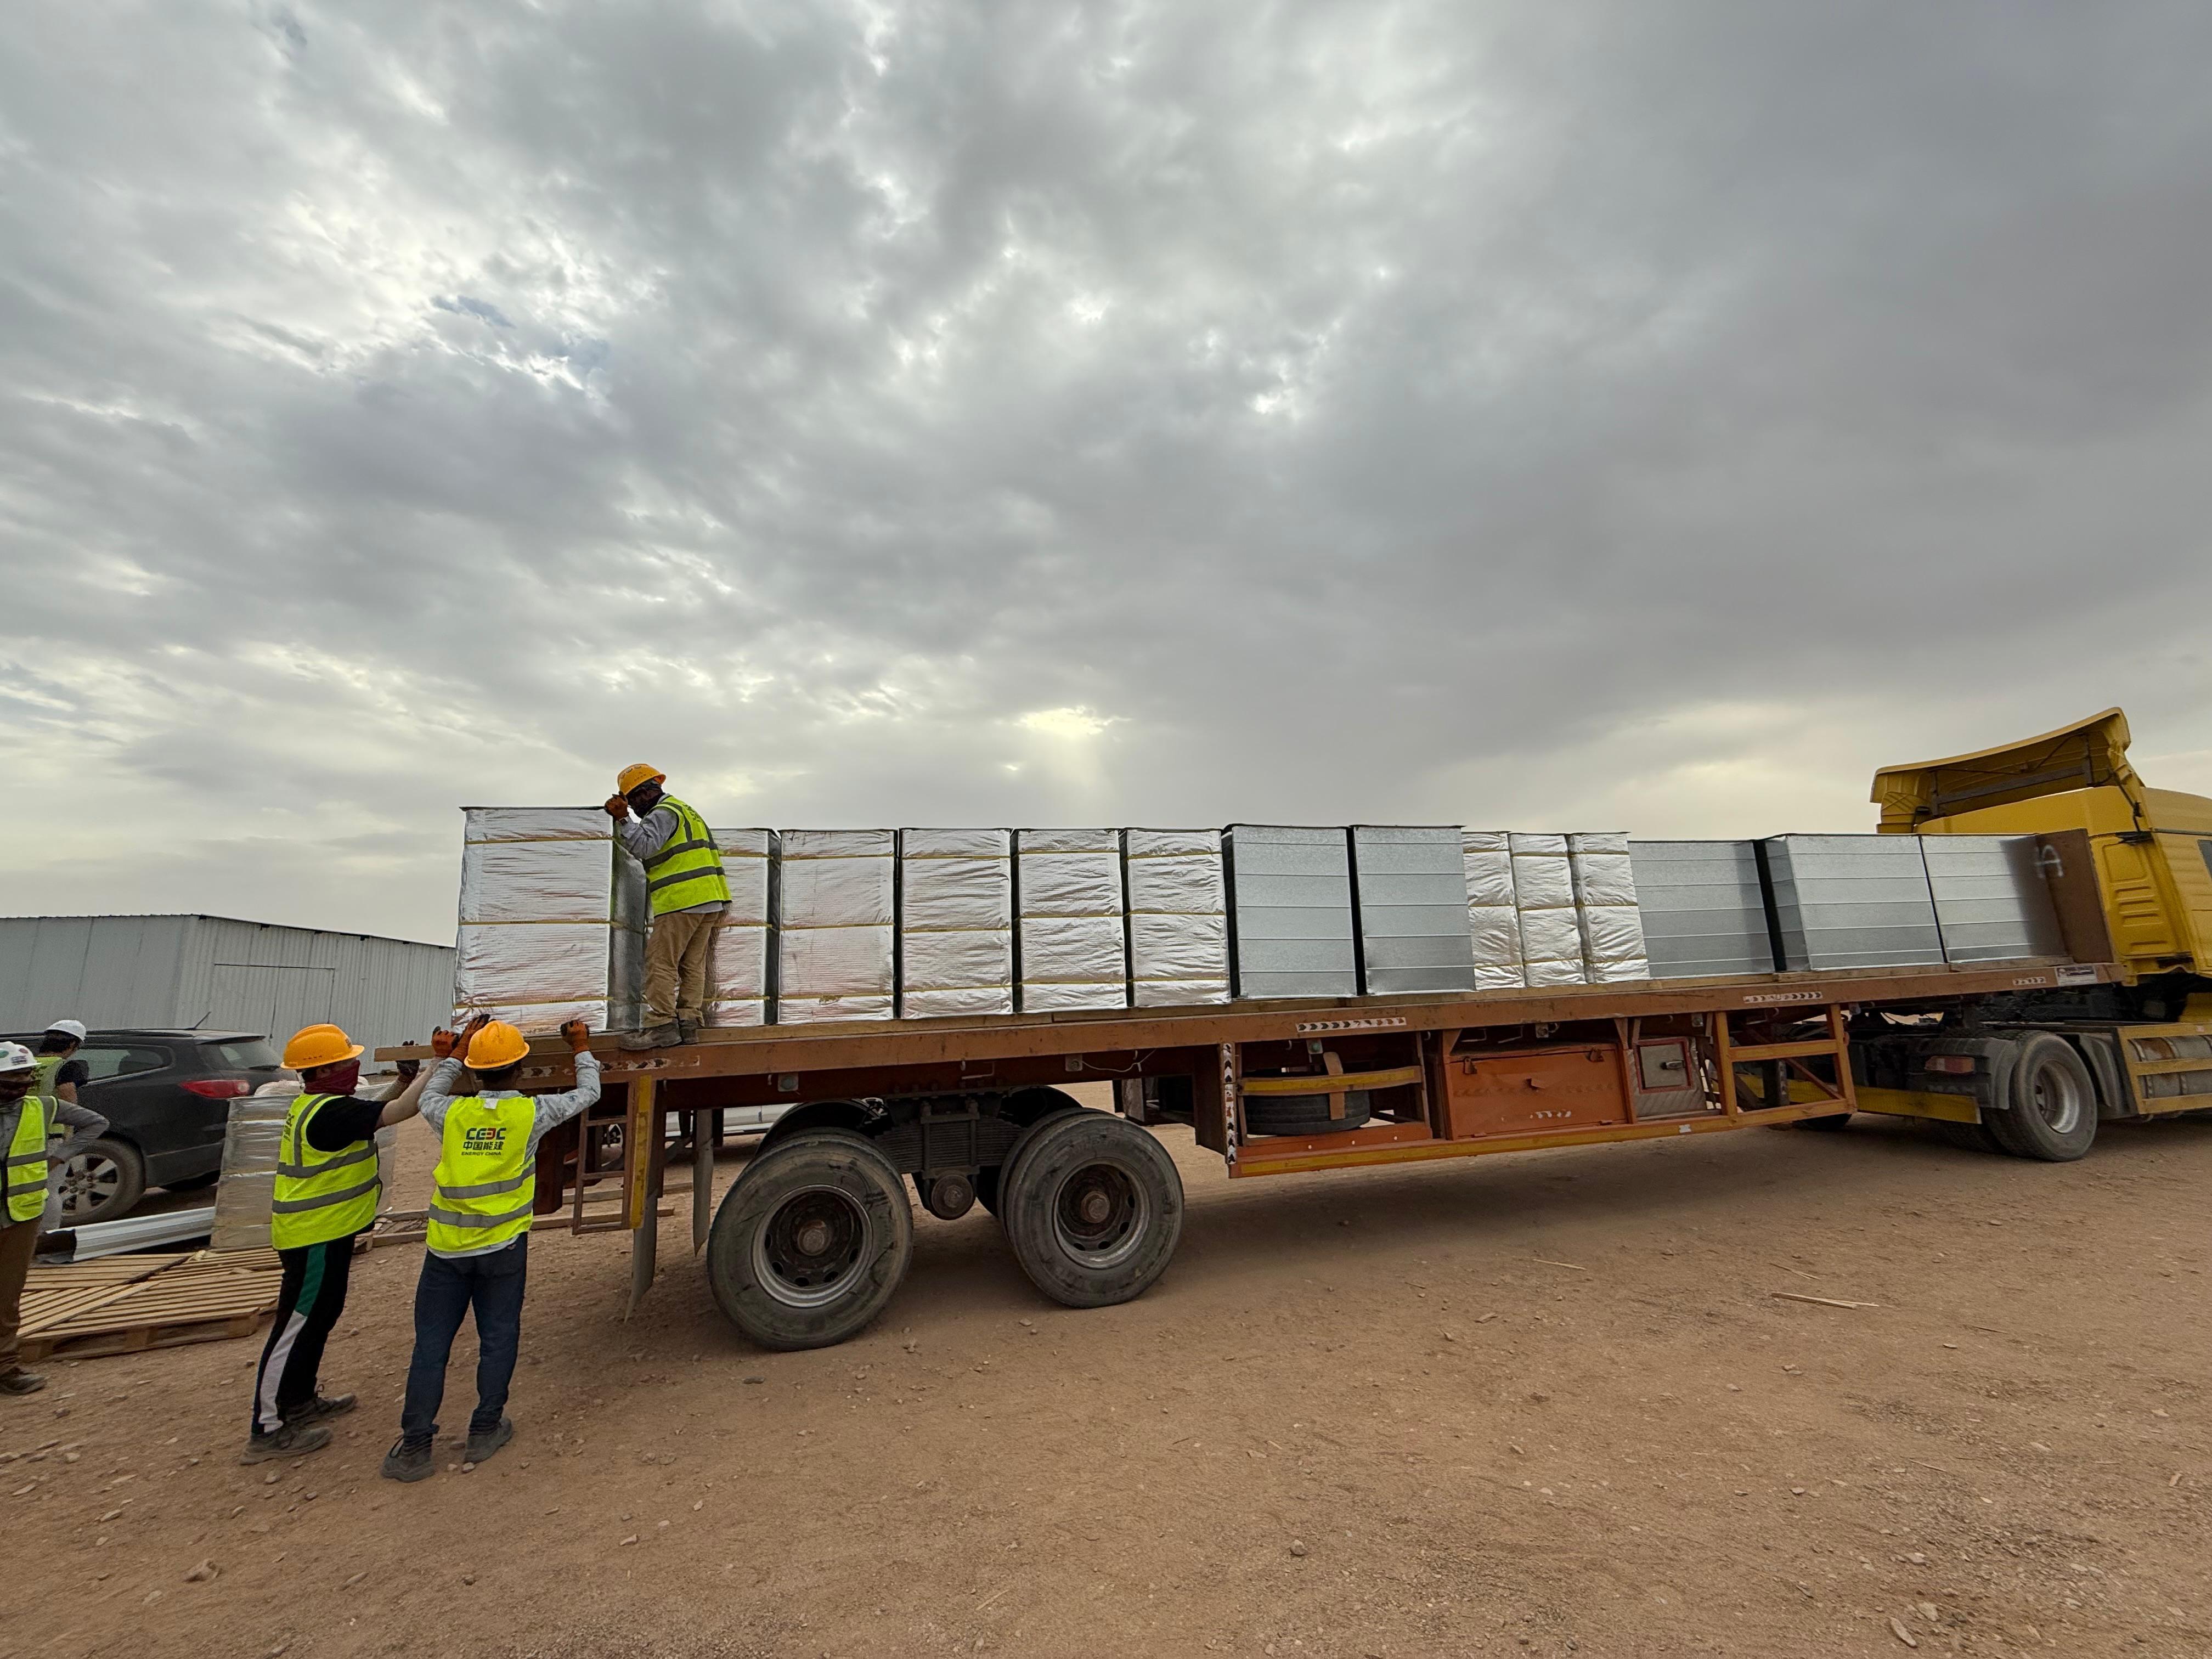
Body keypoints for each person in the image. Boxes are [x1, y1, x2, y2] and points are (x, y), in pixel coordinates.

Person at [382, 1017, 599, 1482]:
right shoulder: (532, 1113)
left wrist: (451, 1055)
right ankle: (484, 1429)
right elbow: (589, 1094)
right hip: (503, 1248)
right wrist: (580, 1046)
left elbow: (429, 1093)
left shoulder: (449, 1113)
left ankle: (415, 1445)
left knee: (431, 1347)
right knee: (498, 1337)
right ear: (521, 1069)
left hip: (445, 1252)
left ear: (476, 1073)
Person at [242, 1022, 435, 1463]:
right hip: (314, 1236)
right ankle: (267, 1427)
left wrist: (406, 1078)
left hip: (326, 1234)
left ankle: (299, 1400)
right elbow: (398, 1113)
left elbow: (372, 1114)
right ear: (325, 1070)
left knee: (319, 1318)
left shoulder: (324, 1106)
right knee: (296, 1326)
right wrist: (441, 1065)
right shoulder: (327, 1112)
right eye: (348, 1062)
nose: (356, 1066)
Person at [1, 1041, 108, 1396]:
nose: (18, 1084)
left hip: (21, 1215)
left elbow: (96, 1123)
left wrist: (59, 1158)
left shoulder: (42, 1107)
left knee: (6, 1297)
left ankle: (6, 1368)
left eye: (24, 1077)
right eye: (10, 1077)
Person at [602, 763, 729, 1048]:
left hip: (683, 899)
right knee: (692, 964)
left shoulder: (662, 813)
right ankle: (689, 1023)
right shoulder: (684, 809)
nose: (633, 809)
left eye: (632, 802)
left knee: (661, 963)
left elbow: (645, 847)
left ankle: (661, 1026)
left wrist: (623, 820)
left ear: (645, 794)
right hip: (709, 898)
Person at [29, 1021, 109, 1233]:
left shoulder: (28, 1064)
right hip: (51, 1138)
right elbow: (68, 1097)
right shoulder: (65, 1067)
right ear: (73, 1045)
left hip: (22, 1137)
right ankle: (47, 1234)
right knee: (50, 1189)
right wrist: (70, 1134)